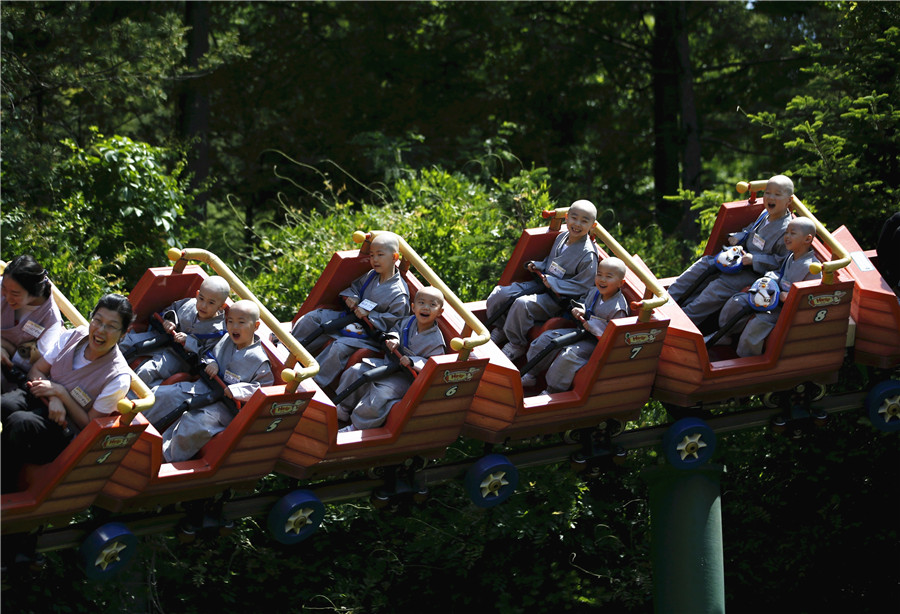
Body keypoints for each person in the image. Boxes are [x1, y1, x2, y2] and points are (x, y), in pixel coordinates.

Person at [1, 294, 133, 492]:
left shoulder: (118, 377)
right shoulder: (74, 336)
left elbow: (89, 425)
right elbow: (36, 370)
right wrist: (54, 395)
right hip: (41, 397)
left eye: (111, 326)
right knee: (5, 404)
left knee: (21, 423)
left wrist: (63, 394)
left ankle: (6, 488)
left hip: (64, 429)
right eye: (97, 320)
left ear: (124, 332)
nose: (100, 330)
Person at [144, 300, 274, 462]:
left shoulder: (259, 360)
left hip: (224, 408)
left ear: (255, 326)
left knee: (193, 423)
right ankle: (136, 430)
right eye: (230, 321)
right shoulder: (225, 339)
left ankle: (161, 458)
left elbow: (263, 389)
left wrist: (238, 390)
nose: (234, 327)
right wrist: (210, 362)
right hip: (204, 388)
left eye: (241, 322)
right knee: (166, 395)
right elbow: (206, 352)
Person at [668, 175, 794, 326]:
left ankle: (683, 321)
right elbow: (750, 230)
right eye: (767, 193)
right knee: (706, 264)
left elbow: (782, 262)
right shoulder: (765, 213)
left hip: (756, 273)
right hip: (740, 258)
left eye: (777, 194)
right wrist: (739, 237)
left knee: (719, 286)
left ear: (789, 200)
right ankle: (668, 299)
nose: (770, 197)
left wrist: (755, 260)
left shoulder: (787, 229)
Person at [290, 232, 410, 388]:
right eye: (372, 255)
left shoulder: (399, 292)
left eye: (380, 255)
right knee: (315, 317)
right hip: (350, 317)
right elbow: (354, 288)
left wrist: (370, 315)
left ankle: (313, 383)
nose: (374, 260)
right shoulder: (371, 275)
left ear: (394, 257)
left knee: (339, 347)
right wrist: (352, 297)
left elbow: (397, 321)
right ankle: (289, 351)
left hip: (370, 334)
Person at [486, 199, 600, 361]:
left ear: (592, 226)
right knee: (500, 293)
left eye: (584, 221)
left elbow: (583, 287)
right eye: (574, 218)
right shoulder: (562, 236)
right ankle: (501, 328)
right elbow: (552, 262)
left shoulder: (588, 254)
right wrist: (538, 265)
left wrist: (555, 284)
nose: (577, 224)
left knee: (522, 304)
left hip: (559, 298)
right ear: (566, 217)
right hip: (542, 284)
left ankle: (516, 344)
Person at [334, 286, 446, 432]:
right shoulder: (408, 322)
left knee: (381, 394)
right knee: (356, 371)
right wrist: (394, 338)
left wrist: (413, 361)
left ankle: (357, 427)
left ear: (440, 312)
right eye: (422, 303)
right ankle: (342, 408)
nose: (426, 308)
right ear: (413, 307)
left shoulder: (436, 341)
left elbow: (434, 364)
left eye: (432, 305)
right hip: (389, 363)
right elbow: (395, 331)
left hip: (406, 378)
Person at [520, 257, 629, 395]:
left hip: (596, 344)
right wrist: (581, 309)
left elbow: (613, 336)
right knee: (547, 338)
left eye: (608, 277)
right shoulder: (595, 291)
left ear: (621, 283)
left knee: (569, 355)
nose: (602, 280)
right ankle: (530, 374)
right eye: (599, 274)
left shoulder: (618, 308)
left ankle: (552, 390)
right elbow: (583, 302)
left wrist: (593, 324)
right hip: (581, 331)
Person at [716, 217, 822, 357]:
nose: (787, 237)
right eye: (786, 233)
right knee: (737, 301)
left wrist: (789, 297)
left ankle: (745, 359)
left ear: (807, 239)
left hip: (785, 311)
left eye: (792, 233)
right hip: (771, 298)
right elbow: (779, 273)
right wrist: (768, 280)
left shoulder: (811, 267)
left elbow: (810, 298)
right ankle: (724, 335)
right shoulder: (790, 255)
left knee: (758, 323)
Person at [119, 276, 230, 386]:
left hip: (179, 357)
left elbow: (207, 356)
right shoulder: (189, 304)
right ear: (197, 294)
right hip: (160, 337)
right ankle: (106, 369)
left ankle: (128, 397)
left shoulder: (218, 331)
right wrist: (170, 320)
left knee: (147, 371)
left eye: (211, 303)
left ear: (221, 306)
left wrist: (189, 341)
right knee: (126, 342)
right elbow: (170, 310)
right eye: (201, 298)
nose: (203, 305)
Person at [1, 255, 64, 392]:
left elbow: (30, 364)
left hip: (9, 373)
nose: (6, 296)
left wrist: (5, 347)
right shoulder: (4, 287)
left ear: (34, 292)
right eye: (4, 288)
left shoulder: (51, 320)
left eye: (15, 293)